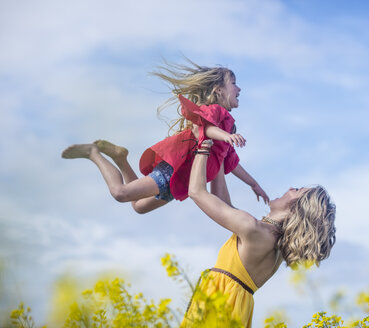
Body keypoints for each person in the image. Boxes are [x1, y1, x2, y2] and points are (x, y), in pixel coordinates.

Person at [61, 60, 269, 214]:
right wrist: (225, 136)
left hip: (182, 182)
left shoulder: (228, 125)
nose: (239, 88)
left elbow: (231, 163)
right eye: (234, 83)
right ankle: (94, 153)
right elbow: (206, 128)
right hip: (173, 172)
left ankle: (121, 157)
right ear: (218, 90)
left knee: (139, 207)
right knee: (121, 193)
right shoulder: (214, 111)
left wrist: (253, 183)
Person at [182, 140, 336, 327]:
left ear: (296, 209)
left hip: (221, 303)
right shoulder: (274, 242)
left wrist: (203, 148)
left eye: (295, 190)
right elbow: (223, 204)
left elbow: (196, 192)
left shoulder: (255, 230)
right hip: (236, 307)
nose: (289, 189)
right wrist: (219, 156)